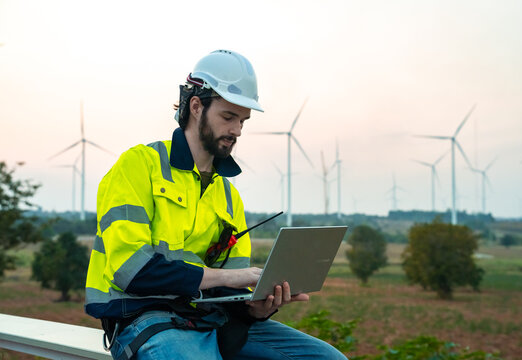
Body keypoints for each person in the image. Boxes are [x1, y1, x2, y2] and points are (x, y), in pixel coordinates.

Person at [85, 49, 347, 360]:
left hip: (210, 320)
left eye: (243, 120)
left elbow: (231, 295)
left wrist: (257, 308)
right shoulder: (138, 166)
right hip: (144, 319)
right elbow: (132, 271)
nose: (237, 130)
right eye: (228, 116)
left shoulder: (228, 195)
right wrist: (227, 278)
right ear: (196, 106)